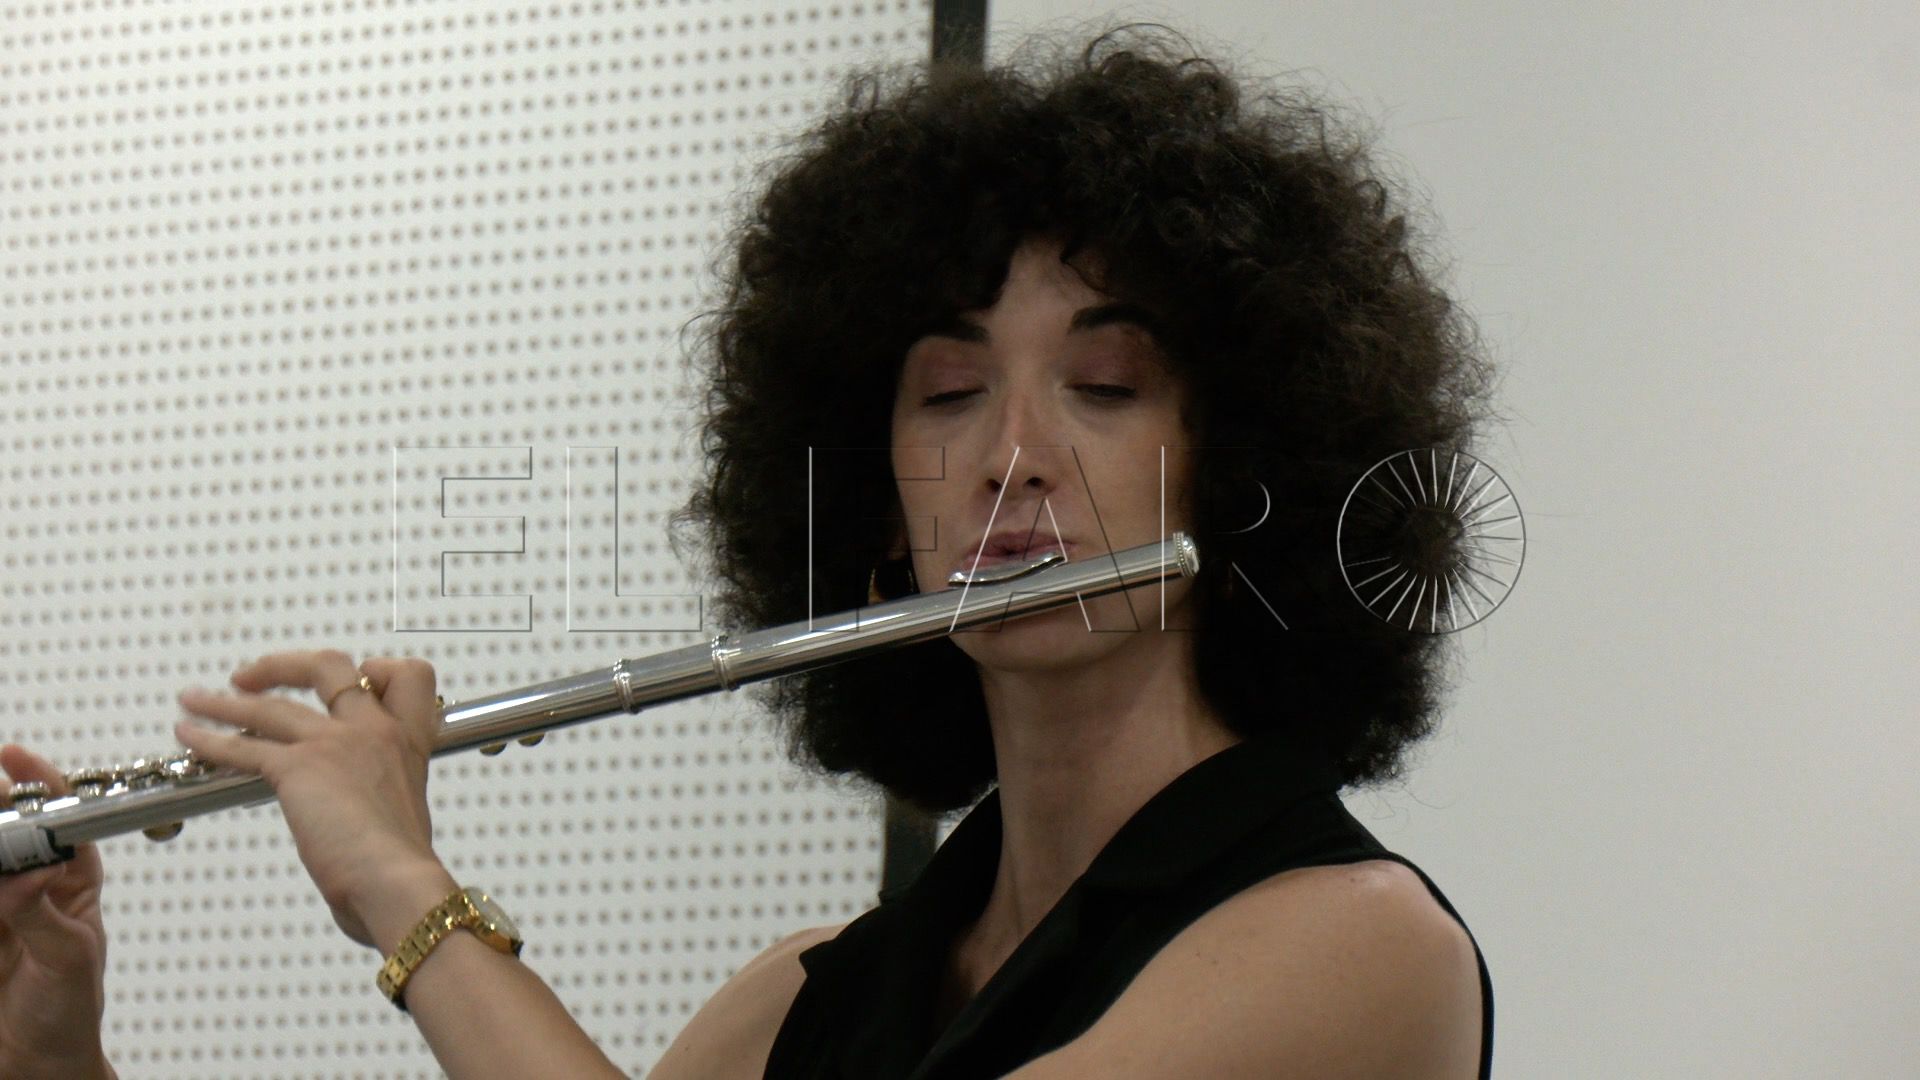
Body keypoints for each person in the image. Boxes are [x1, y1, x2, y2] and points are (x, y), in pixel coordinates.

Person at [0, 27, 1502, 1080]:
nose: (1013, 454)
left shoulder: (1355, 951)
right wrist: (57, 1052)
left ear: (1244, 473)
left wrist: (401, 885)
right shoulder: (804, 999)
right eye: (947, 393)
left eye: (1105, 385)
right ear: (877, 506)